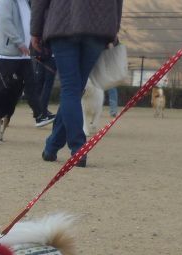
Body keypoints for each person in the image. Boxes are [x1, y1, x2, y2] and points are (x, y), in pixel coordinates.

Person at [31, 0, 123, 167]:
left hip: (63, 23)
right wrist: (114, 27)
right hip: (98, 25)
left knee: (71, 90)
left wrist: (35, 30)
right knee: (74, 90)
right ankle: (52, 146)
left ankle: (78, 148)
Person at [0, 0, 55, 127]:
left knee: (31, 85)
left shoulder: (25, 3)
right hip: (7, 54)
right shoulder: (5, 2)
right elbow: (6, 23)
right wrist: (19, 42)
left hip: (23, 54)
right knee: (4, 87)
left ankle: (40, 115)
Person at [32, 43, 57, 120]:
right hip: (50, 55)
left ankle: (39, 111)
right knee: (47, 86)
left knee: (39, 85)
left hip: (40, 55)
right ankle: (42, 113)